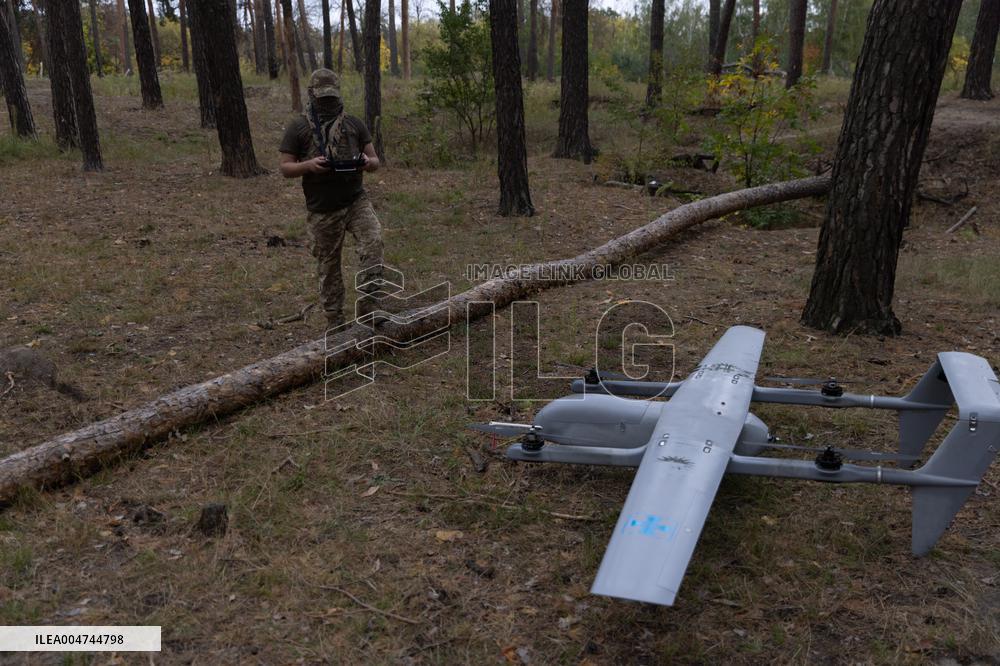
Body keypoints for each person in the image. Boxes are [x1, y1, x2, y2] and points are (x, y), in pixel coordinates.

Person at [279, 69, 384, 329]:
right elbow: (285, 168)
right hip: (323, 209)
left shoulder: (354, 124)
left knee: (374, 244)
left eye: (331, 97)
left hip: (356, 200)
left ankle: (371, 310)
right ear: (312, 95)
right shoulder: (299, 127)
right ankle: (336, 323)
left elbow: (375, 161)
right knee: (329, 268)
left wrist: (364, 162)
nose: (328, 103)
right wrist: (310, 165)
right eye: (323, 98)